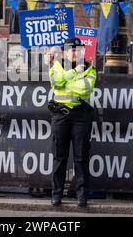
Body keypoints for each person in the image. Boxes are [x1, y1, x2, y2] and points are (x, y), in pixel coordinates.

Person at [46, 37, 97, 207]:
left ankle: (82, 196)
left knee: (81, 157)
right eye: (73, 49)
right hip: (60, 115)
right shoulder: (58, 65)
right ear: (66, 52)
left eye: (79, 49)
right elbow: (56, 82)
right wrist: (74, 73)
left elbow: (85, 88)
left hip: (81, 115)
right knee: (59, 157)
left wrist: (66, 81)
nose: (76, 52)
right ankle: (56, 195)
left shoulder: (90, 68)